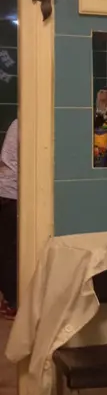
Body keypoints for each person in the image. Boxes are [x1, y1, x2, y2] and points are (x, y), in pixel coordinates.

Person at [0, 119, 18, 319]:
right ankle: (12, 301)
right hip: (11, 192)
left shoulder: (18, 123)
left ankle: (10, 299)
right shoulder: (27, 123)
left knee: (8, 248)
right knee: (11, 250)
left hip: (7, 191)